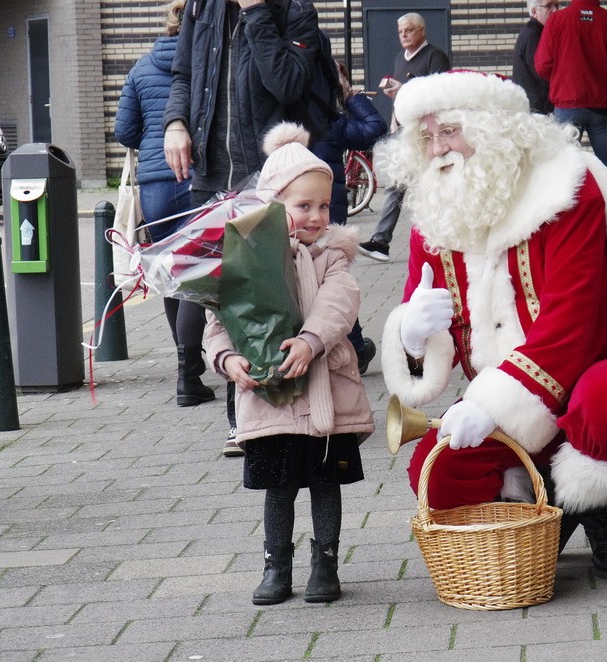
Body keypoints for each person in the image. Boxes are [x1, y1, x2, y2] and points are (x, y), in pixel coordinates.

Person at [376, 71, 607, 580]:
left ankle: (594, 508)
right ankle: (545, 503)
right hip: (503, 385)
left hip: (602, 362)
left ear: (492, 128)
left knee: (606, 403)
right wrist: (412, 337)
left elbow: (574, 320)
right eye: (427, 137)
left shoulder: (568, 187)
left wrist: (487, 403)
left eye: (450, 131)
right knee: (434, 478)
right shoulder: (436, 208)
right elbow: (427, 311)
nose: (439, 149)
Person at [203, 122, 375, 605]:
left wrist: (310, 340)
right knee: (278, 490)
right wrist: (227, 359)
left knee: (325, 483)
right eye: (304, 206)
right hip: (269, 399)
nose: (317, 215)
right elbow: (220, 319)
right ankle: (276, 565)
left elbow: (339, 305)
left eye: (324, 205)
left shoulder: (332, 256)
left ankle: (325, 565)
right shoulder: (246, 257)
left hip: (326, 395)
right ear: (273, 205)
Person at [164, 0, 332, 456]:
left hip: (267, 176)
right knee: (209, 288)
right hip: (211, 172)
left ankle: (290, 401)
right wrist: (176, 122)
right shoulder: (204, 6)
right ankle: (232, 407)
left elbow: (287, 82)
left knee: (271, 289)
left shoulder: (293, 11)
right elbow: (183, 74)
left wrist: (257, 12)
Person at [115, 0, 216, 410]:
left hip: (157, 186)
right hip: (197, 176)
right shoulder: (206, 64)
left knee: (169, 273)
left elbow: (125, 131)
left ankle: (185, 372)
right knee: (199, 272)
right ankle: (192, 372)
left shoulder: (140, 68)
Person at [357, 12, 450, 263]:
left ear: (422, 30)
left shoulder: (435, 57)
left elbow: (439, 94)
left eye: (409, 30)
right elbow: (405, 96)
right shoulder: (400, 57)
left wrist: (405, 89)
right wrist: (395, 107)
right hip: (403, 131)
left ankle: (442, 237)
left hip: (428, 135)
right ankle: (380, 241)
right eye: (400, 32)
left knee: (432, 185)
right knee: (396, 186)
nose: (404, 35)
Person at [313, 62, 388, 373]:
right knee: (333, 273)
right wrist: (350, 95)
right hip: (329, 205)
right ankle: (355, 344)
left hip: (290, 207)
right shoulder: (329, 122)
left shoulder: (283, 116)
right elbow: (375, 128)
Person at [534, 0, 607, 190]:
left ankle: (567, 215)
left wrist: (563, 77)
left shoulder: (557, 20)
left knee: (561, 167)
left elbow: (542, 65)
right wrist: (606, 76)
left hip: (567, 104)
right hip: (602, 107)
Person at [511, 0, 556, 114]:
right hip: (537, 109)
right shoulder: (533, 34)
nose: (555, 10)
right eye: (549, 6)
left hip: (535, 105)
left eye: (557, 5)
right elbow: (540, 72)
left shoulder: (535, 32)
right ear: (534, 11)